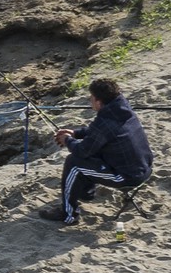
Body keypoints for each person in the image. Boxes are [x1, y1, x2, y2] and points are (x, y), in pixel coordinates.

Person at [43, 76, 152, 225]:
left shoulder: (105, 122)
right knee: (95, 151)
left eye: (91, 98)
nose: (90, 100)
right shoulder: (121, 109)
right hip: (145, 167)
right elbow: (98, 133)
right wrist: (76, 133)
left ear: (99, 102)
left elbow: (82, 151)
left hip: (128, 177)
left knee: (73, 163)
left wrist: (67, 140)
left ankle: (68, 214)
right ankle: (86, 194)